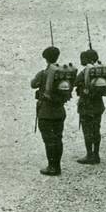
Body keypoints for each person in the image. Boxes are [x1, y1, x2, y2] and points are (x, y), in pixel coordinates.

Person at [31, 46, 70, 176]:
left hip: (46, 112)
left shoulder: (43, 73)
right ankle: (57, 166)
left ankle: (52, 167)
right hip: (59, 110)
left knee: (49, 140)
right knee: (58, 138)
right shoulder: (62, 72)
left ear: (45, 58)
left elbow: (33, 84)